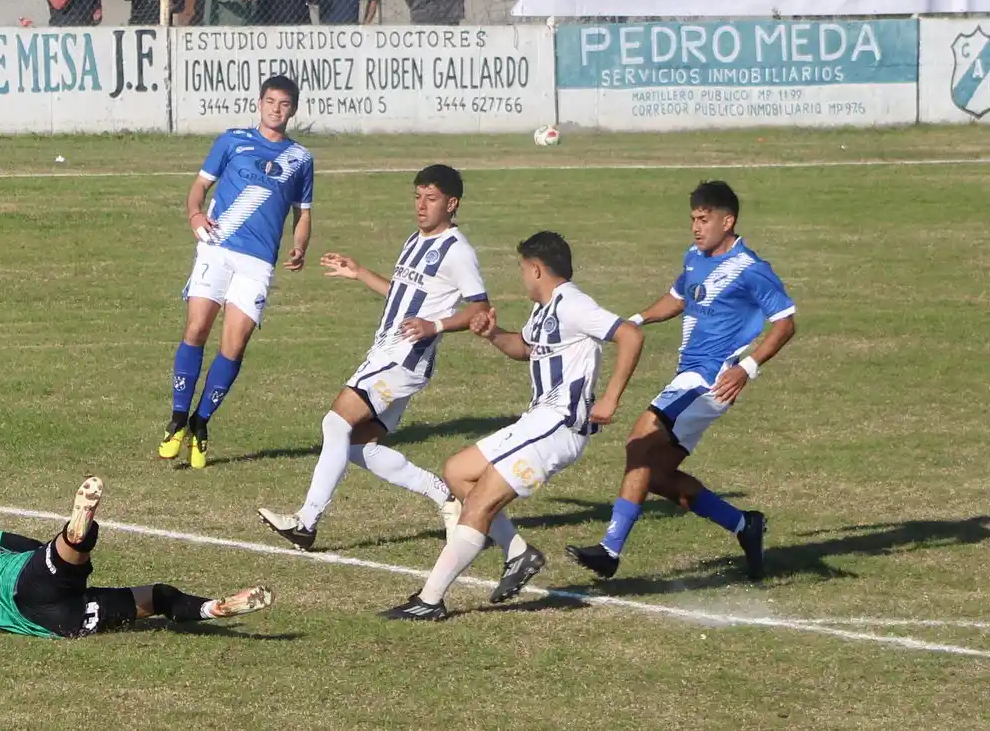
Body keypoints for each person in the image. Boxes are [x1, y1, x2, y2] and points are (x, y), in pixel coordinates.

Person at [380, 231, 645, 620]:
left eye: (523, 269)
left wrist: (610, 398)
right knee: (458, 472)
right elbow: (525, 348)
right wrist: (491, 335)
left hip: (557, 428)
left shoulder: (574, 304)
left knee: (481, 502)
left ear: (537, 269)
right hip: (537, 420)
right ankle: (518, 553)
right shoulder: (545, 309)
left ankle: (430, 600)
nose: (522, 277)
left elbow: (630, 334)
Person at [565, 180, 797, 581]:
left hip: (710, 380)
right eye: (692, 219)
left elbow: (785, 323)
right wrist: (633, 321)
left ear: (728, 221)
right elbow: (677, 298)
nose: (695, 227)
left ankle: (610, 550)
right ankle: (744, 525)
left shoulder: (751, 269)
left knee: (639, 440)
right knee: (655, 476)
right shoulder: (695, 256)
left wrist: (747, 368)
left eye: (703, 220)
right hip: (688, 376)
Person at [257, 165, 489, 551]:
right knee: (357, 447)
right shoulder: (415, 240)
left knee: (335, 423)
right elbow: (401, 294)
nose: (421, 206)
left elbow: (481, 310)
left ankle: (306, 521)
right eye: (417, 197)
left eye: (431, 199)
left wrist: (436, 326)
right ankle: (444, 496)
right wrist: (360, 273)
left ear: (452, 203)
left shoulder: (458, 251)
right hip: (386, 353)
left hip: (404, 360)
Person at [0, 476, 274, 638]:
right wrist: (53, 559)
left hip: (53, 622)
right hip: (23, 581)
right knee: (65, 550)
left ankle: (216, 609)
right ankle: (73, 536)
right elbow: (19, 543)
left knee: (151, 598)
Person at [159, 75, 313, 469]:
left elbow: (303, 213)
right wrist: (195, 214)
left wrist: (299, 246)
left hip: (258, 262)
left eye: (284, 104)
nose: (276, 110)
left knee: (235, 344)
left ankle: (201, 422)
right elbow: (198, 188)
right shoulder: (231, 140)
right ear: (259, 103)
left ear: (292, 109)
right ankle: (177, 418)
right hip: (218, 246)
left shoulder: (301, 159)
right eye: (270, 102)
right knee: (196, 329)